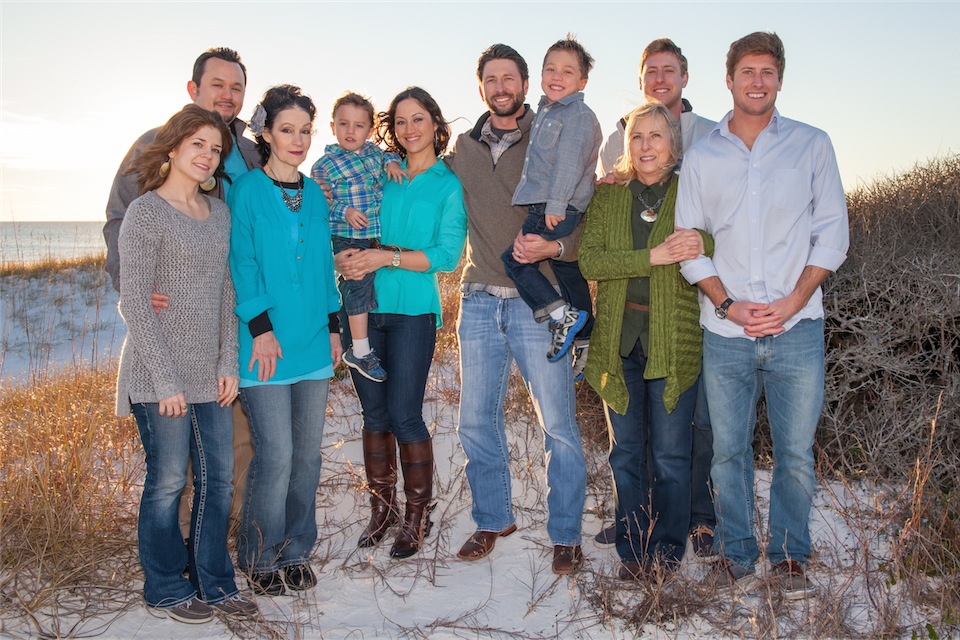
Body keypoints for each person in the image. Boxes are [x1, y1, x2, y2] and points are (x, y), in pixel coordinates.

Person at [676, 32, 849, 598]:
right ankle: (735, 554)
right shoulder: (702, 156)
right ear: (728, 79)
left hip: (798, 328)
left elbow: (832, 235)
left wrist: (793, 302)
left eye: (767, 71)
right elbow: (688, 245)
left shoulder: (812, 144)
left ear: (779, 79)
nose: (757, 81)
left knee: (796, 453)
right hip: (725, 330)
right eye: (747, 71)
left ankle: (791, 556)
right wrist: (727, 303)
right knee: (728, 452)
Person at [103, 46, 259, 542]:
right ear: (193, 89)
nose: (227, 95)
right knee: (174, 467)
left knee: (236, 446)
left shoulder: (251, 153)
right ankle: (177, 551)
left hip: (228, 325)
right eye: (218, 84)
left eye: (236, 87)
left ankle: (218, 544)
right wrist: (135, 287)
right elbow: (121, 220)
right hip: (172, 331)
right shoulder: (155, 143)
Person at [446, 44, 587, 576]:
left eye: (510, 78)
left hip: (541, 303)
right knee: (476, 421)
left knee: (558, 425)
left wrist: (556, 249)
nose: (501, 86)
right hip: (480, 297)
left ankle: (566, 534)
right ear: (480, 86)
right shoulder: (462, 149)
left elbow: (579, 216)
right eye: (491, 79)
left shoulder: (553, 134)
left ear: (526, 85)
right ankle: (492, 517)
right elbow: (428, 180)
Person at [591, 38, 718, 558]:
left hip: (671, 340)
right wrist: (652, 257)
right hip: (618, 342)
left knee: (670, 453)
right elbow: (592, 261)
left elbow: (709, 244)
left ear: (673, 143)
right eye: (637, 136)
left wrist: (691, 245)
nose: (646, 145)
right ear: (627, 145)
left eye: (657, 136)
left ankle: (666, 550)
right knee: (627, 453)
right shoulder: (609, 195)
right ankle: (633, 546)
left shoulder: (690, 192)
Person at [335, 87, 467, 559]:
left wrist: (384, 256)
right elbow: (340, 210)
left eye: (419, 119)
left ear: (435, 123)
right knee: (374, 414)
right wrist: (346, 257)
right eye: (401, 122)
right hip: (362, 310)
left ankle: (416, 515)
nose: (410, 130)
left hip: (413, 312)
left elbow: (446, 256)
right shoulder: (379, 171)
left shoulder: (447, 185)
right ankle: (381, 508)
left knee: (405, 413)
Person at [229, 85, 342, 596]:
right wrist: (261, 329)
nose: (297, 141)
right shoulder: (247, 190)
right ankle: (259, 555)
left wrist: (336, 326)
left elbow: (323, 266)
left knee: (308, 456)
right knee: (274, 455)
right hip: (264, 345)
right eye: (286, 130)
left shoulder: (315, 192)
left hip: (315, 341)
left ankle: (297, 551)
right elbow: (242, 263)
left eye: (305, 131)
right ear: (266, 133)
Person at [505, 35, 601, 373]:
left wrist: (556, 204)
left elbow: (570, 164)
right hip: (552, 204)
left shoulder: (576, 116)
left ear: (582, 81)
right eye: (551, 69)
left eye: (567, 72)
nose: (557, 76)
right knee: (565, 268)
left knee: (515, 259)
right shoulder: (549, 112)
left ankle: (561, 315)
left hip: (554, 206)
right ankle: (585, 335)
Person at [311, 92, 404, 384]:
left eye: (359, 125)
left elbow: (391, 153)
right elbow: (319, 203)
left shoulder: (375, 155)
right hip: (346, 234)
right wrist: (345, 210)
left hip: (373, 236)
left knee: (361, 287)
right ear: (332, 126)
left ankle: (348, 333)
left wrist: (391, 163)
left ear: (370, 129)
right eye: (343, 124)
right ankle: (360, 350)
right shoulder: (324, 165)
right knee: (358, 283)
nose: (350, 131)